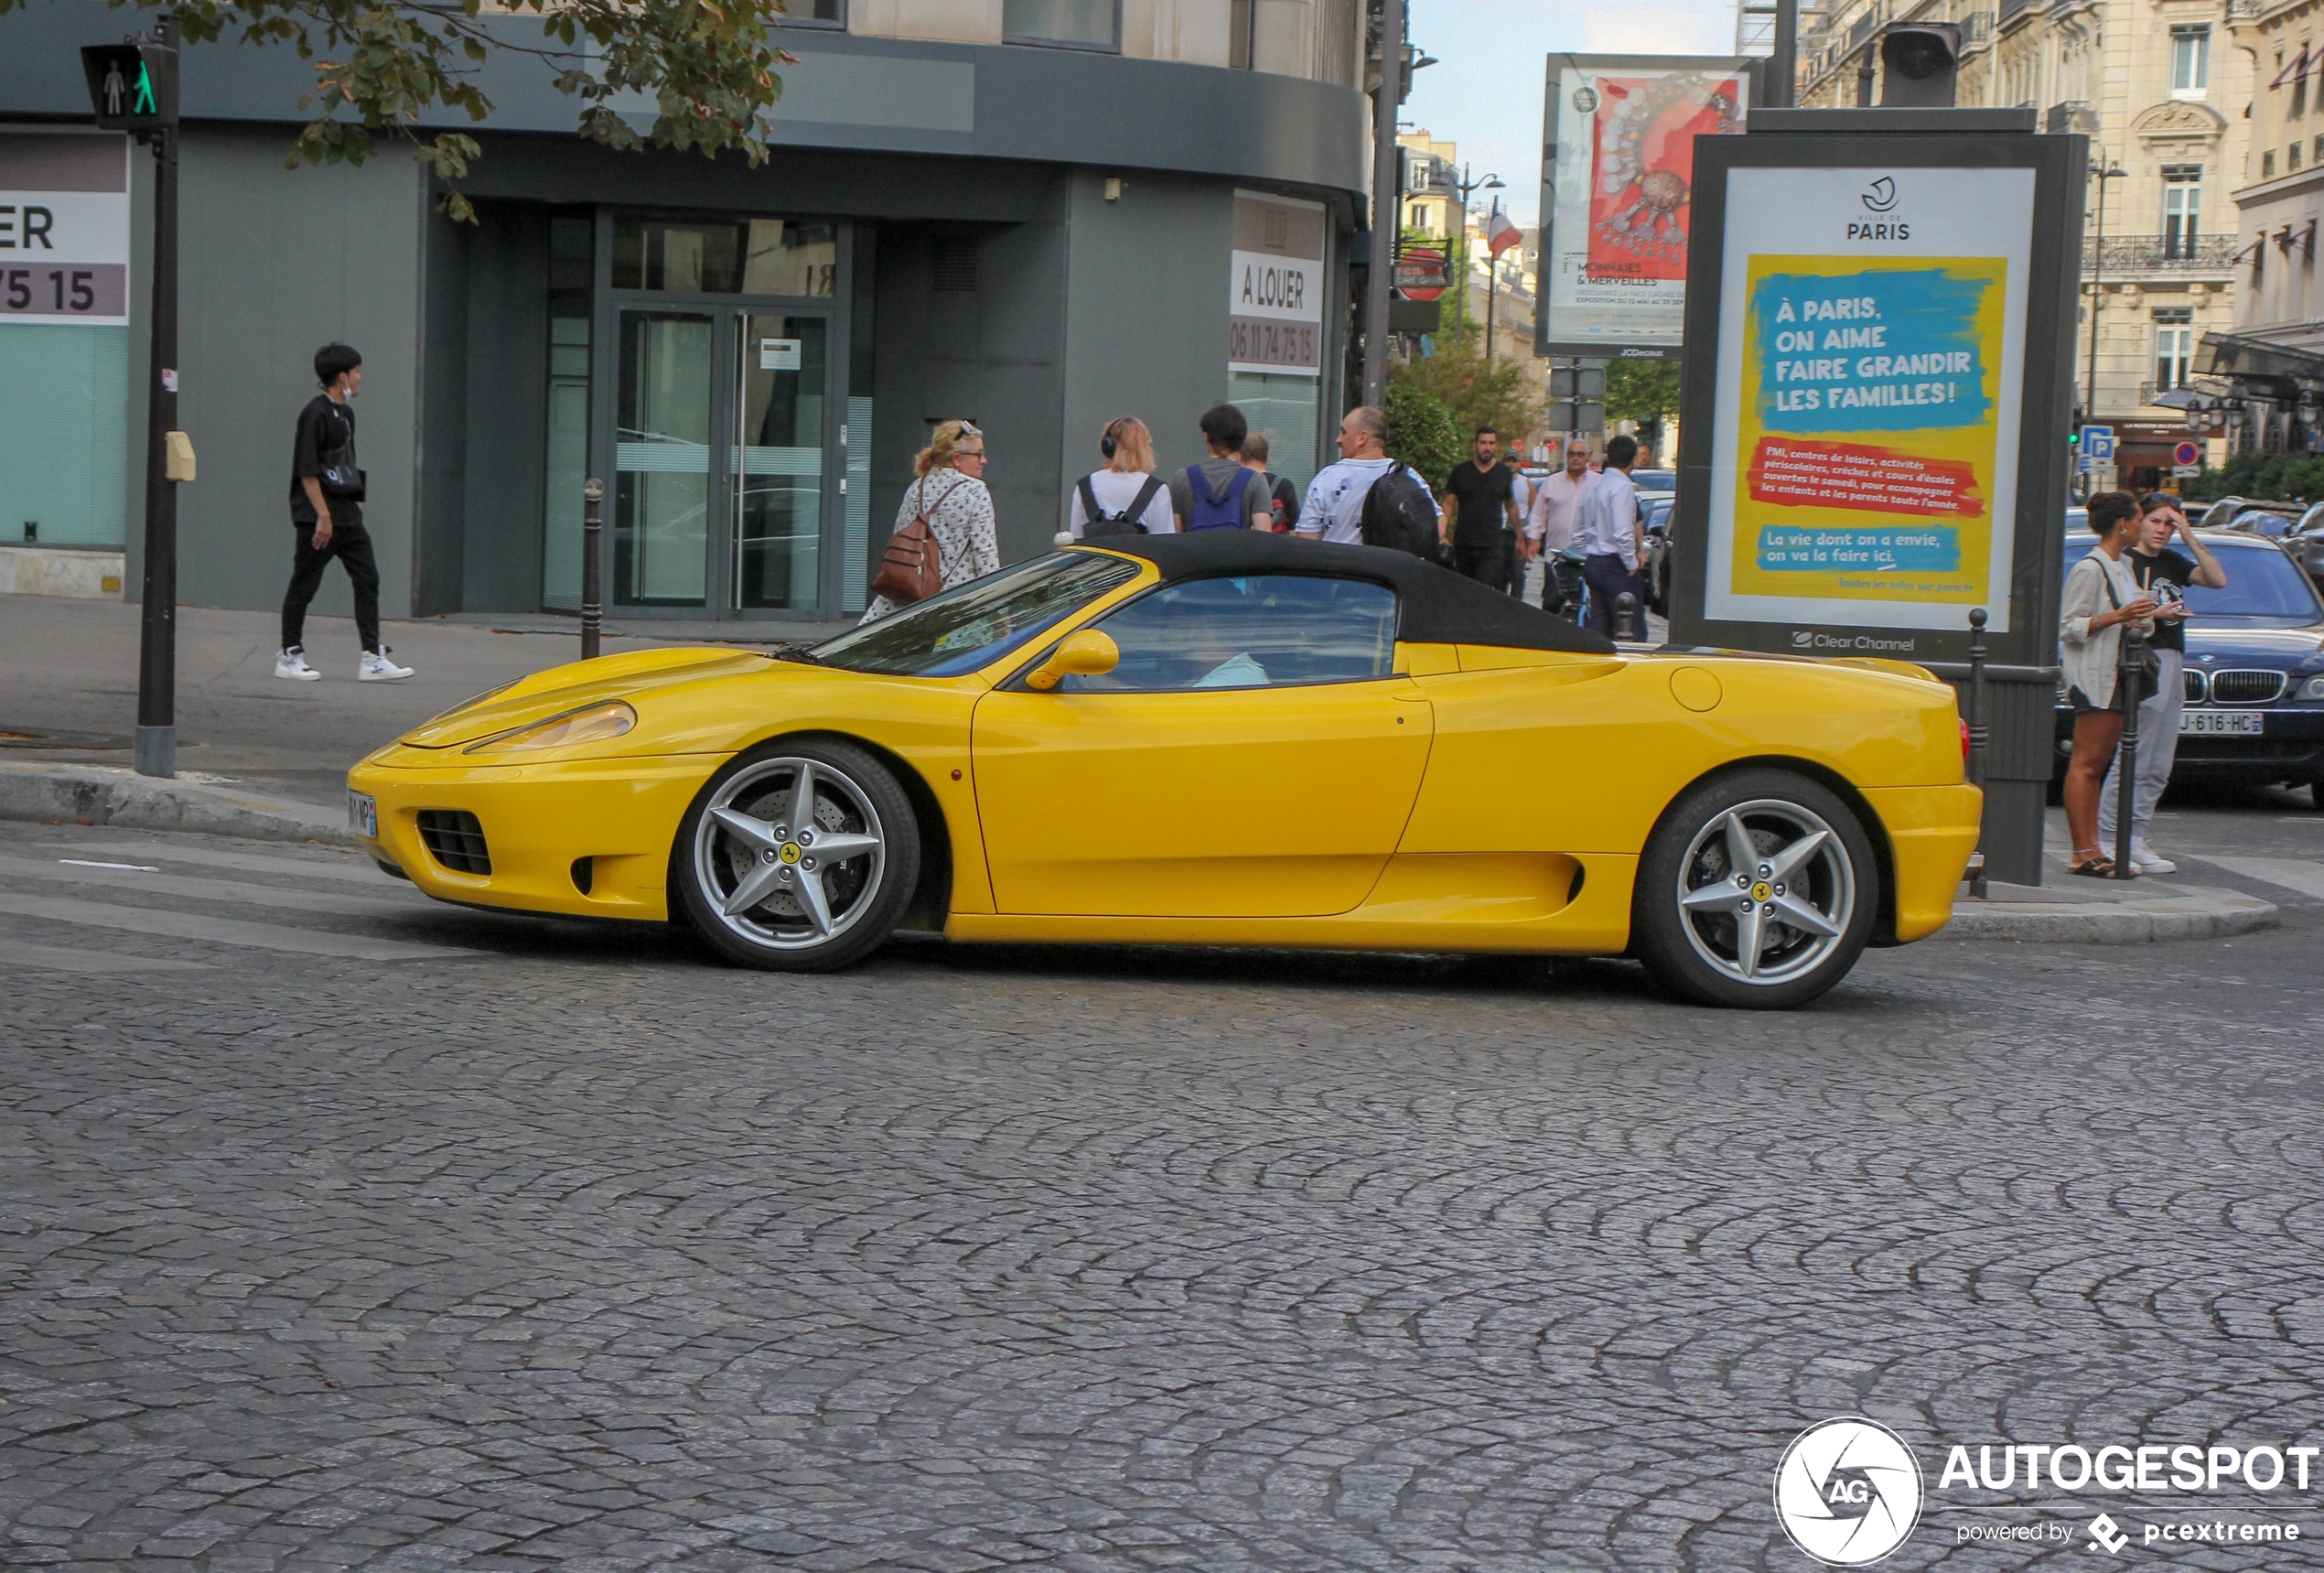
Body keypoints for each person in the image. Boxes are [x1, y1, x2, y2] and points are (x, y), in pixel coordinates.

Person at [2098, 492, 2227, 873]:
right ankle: (2109, 837)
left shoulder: (2172, 559)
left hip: (2172, 658)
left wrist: (2189, 535)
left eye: (2170, 524)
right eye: (2156, 521)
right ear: (2140, 521)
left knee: (2159, 761)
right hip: (2140, 661)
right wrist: (2159, 611)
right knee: (2133, 753)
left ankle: (2136, 836)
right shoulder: (2124, 562)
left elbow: (2217, 579)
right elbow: (2113, 614)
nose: (2162, 530)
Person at [276, 343, 412, 682]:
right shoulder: (315, 413)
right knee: (304, 585)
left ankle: (372, 657)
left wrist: (346, 508)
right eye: (356, 371)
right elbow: (307, 471)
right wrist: (322, 515)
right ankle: (289, 655)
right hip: (318, 518)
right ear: (342, 376)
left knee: (368, 579)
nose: (360, 377)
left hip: (348, 515)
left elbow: (342, 465)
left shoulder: (346, 414)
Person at [2060, 490, 2160, 878]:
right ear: (2122, 524)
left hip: (2119, 674)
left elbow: (2135, 617)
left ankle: (2093, 850)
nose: (2142, 527)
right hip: (2097, 676)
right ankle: (2083, 852)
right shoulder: (2091, 568)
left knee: (2098, 763)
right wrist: (2118, 616)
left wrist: (2149, 613)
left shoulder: (2122, 566)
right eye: (2138, 520)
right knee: (2087, 764)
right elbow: (2071, 627)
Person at [859, 419, 999, 623]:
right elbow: (985, 555)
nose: (983, 460)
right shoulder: (975, 491)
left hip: (909, 595)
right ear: (957, 458)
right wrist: (997, 602)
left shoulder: (918, 486)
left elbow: (900, 538)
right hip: (953, 603)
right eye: (978, 454)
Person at [1296, 405, 1434, 544]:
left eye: (1344, 432)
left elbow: (1307, 539)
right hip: (1387, 564)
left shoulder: (1326, 478)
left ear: (1362, 438)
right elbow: (1436, 524)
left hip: (1337, 563)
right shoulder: (1407, 475)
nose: (1338, 439)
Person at [1570, 432, 1645, 636]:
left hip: (1595, 562)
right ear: (1633, 460)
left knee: (1600, 626)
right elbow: (1623, 533)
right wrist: (1631, 563)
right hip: (1616, 565)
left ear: (1608, 457)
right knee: (1632, 629)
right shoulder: (1622, 487)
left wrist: (1589, 552)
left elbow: (1577, 531)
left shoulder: (1593, 486)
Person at [1439, 426, 1523, 591]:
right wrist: (1442, 533)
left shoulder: (1503, 473)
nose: (1487, 447)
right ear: (1475, 445)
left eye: (1491, 443)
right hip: (1464, 544)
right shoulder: (1460, 471)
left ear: (1497, 446)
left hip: (1491, 546)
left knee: (1482, 590)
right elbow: (1449, 503)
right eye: (1483, 443)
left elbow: (1511, 505)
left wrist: (1520, 538)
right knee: (1464, 591)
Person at [1169, 403, 1270, 532]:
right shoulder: (1256, 481)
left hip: (1194, 551)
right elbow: (1263, 537)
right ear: (1241, 440)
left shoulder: (1182, 478)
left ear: (1207, 437)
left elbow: (1174, 536)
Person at [1066, 417, 1173, 538]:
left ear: (1107, 446)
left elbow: (1075, 539)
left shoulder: (1084, 486)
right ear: (1144, 448)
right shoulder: (1157, 489)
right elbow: (1164, 542)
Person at [1525, 438, 1596, 611]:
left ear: (1588, 457)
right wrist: (1534, 539)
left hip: (1587, 557)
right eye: (1572, 454)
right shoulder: (1552, 482)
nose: (1576, 458)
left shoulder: (1598, 483)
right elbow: (1539, 514)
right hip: (1557, 556)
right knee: (1551, 602)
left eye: (1580, 454)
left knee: (1585, 606)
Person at [1239, 431, 1300, 533]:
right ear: (1266, 456)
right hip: (1276, 545)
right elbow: (1293, 529)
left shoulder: (1236, 483)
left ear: (1240, 457)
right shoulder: (1284, 485)